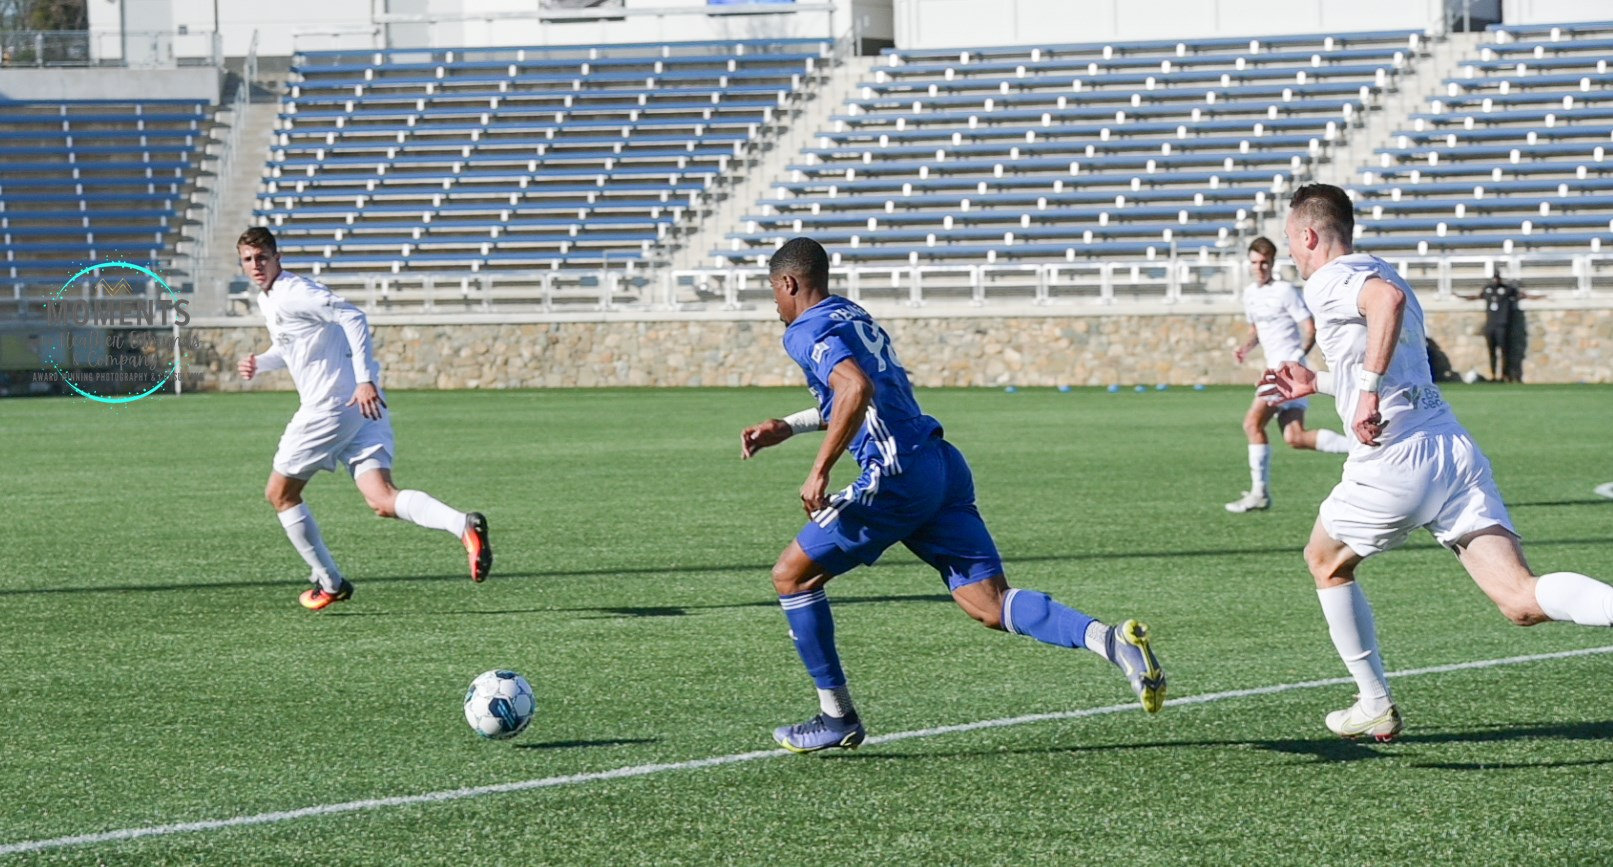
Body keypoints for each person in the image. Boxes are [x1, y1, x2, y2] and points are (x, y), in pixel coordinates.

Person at [740, 237, 1165, 753]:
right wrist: (788, 425)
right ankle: (1111, 640)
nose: (775, 305)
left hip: (895, 474)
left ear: (788, 283)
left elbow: (854, 391)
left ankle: (837, 716)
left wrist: (819, 470)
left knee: (791, 574)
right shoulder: (853, 315)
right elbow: (863, 394)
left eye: (773, 292)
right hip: (938, 464)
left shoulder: (804, 329)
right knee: (989, 604)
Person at [1259, 184, 1613, 742]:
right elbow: (1391, 337)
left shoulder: (1330, 280)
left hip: (1397, 456)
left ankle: (1373, 702)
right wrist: (1323, 382)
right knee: (1519, 600)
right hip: (1449, 447)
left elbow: (1385, 308)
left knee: (1325, 560)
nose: (1293, 256)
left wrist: (1367, 390)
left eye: (1291, 243)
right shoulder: (1383, 268)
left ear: (1308, 235)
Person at [234, 227, 492, 610]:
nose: (256, 266)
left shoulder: (294, 291)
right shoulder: (269, 297)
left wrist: (364, 380)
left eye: (262, 258)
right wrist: (262, 362)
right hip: (362, 407)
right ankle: (463, 525)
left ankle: (330, 582)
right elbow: (292, 345)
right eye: (248, 260)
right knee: (383, 500)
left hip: (333, 407)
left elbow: (353, 316)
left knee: (280, 494)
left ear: (278, 257)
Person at [1226, 236, 1351, 513]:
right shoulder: (1250, 295)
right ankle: (1357, 447)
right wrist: (1245, 348)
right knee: (1295, 437)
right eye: (1255, 263)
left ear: (1272, 263)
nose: (1259, 268)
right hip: (1280, 371)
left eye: (1264, 263)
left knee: (1252, 424)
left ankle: (1259, 493)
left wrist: (1294, 360)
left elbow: (1310, 328)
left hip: (1285, 373)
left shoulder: (1284, 291)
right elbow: (1256, 330)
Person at [1460, 273, 1528, 382]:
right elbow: (1476, 296)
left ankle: (1504, 375)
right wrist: (1459, 296)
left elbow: (1521, 294)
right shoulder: (1488, 290)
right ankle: (1493, 375)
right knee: (1492, 352)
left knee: (1504, 351)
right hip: (1490, 326)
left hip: (1502, 325)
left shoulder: (1507, 290)